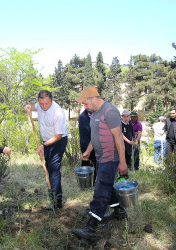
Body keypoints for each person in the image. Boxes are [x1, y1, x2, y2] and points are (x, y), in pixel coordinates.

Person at [72, 86, 128, 241]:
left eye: (85, 103)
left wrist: (122, 162)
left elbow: (118, 137)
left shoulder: (110, 112)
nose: (84, 107)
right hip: (100, 156)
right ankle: (119, 212)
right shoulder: (95, 112)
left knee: (101, 189)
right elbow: (94, 135)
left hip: (110, 158)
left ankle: (91, 227)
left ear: (93, 99)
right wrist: (88, 151)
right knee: (107, 186)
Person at [24, 90, 68, 210]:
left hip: (58, 141)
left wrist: (43, 145)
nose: (43, 106)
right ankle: (55, 198)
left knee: (53, 169)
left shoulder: (58, 112)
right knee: (49, 167)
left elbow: (59, 135)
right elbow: (34, 106)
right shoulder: (40, 105)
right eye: (41, 103)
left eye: (46, 104)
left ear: (52, 101)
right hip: (47, 141)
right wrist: (28, 107)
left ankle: (56, 202)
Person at [78, 108, 97, 184]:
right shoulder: (83, 117)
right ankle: (85, 183)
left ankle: (93, 181)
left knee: (95, 164)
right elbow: (90, 131)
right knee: (86, 163)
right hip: (86, 144)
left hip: (96, 144)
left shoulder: (97, 114)